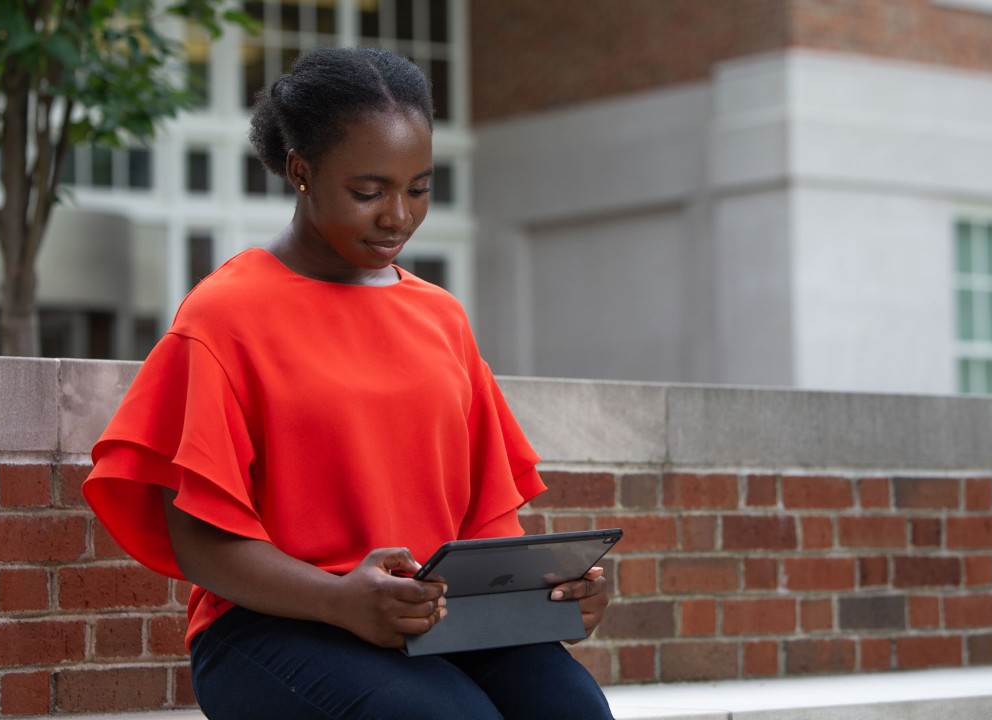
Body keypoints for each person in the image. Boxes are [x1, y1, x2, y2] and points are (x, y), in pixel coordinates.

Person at [82, 47, 614, 719]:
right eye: (368, 192)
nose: (397, 215)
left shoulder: (441, 317)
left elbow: (486, 520)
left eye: (418, 188)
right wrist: (340, 601)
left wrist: (547, 597)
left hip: (433, 615)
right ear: (301, 172)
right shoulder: (227, 314)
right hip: (273, 625)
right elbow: (200, 542)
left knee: (575, 712)